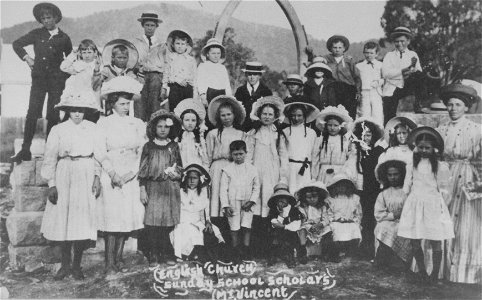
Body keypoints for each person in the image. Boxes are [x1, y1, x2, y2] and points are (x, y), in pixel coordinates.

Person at [40, 90, 102, 280]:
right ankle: (65, 265)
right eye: (73, 110)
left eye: (81, 110)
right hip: (64, 172)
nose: (77, 114)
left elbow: (99, 155)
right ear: (67, 111)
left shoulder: (92, 128)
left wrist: (97, 177)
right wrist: (51, 183)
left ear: (85, 111)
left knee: (81, 221)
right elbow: (50, 158)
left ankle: (77, 266)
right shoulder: (58, 130)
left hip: (85, 171)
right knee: (64, 220)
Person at [11, 2, 73, 163]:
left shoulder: (64, 38)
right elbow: (16, 44)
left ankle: (50, 151)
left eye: (49, 17)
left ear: (56, 18)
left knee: (52, 115)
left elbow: (72, 59)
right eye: (43, 18)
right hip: (39, 80)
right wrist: (27, 58)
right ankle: (25, 150)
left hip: (57, 82)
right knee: (32, 113)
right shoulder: (37, 34)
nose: (46, 21)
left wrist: (65, 73)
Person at [96, 77, 145, 274]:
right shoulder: (104, 123)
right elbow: (99, 150)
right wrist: (113, 173)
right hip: (112, 173)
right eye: (122, 104)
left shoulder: (137, 123)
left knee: (125, 217)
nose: (126, 107)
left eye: (128, 103)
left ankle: (119, 258)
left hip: (130, 174)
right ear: (113, 104)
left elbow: (142, 150)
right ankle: (109, 262)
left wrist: (132, 172)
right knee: (112, 218)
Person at [437, 82, 482, 284]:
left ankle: (466, 274)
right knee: (444, 222)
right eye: (450, 104)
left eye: (458, 105)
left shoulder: (477, 130)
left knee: (467, 224)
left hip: (468, 176)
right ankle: (443, 272)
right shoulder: (440, 129)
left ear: (465, 107)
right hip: (446, 177)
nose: (453, 108)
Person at [398, 127, 454, 283]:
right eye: (420, 147)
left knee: (436, 239)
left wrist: (442, 206)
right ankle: (422, 271)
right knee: (415, 238)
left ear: (433, 148)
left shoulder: (440, 166)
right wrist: (406, 200)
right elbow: (407, 185)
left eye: (427, 147)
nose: (423, 150)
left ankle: (435, 274)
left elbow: (444, 189)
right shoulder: (411, 164)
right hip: (415, 203)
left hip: (433, 205)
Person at [138, 109, 183, 267]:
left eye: (166, 126)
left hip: (169, 187)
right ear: (154, 128)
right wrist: (143, 189)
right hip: (153, 187)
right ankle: (154, 253)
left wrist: (175, 174)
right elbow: (143, 170)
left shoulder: (174, 146)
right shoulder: (148, 146)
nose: (163, 129)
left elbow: (179, 167)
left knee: (167, 222)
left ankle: (166, 252)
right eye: (160, 126)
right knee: (153, 222)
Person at [246, 96, 289, 257]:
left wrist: (282, 177)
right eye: (264, 113)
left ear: (275, 116)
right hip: (257, 171)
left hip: (272, 172)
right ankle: (256, 248)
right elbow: (249, 155)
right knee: (256, 208)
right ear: (259, 114)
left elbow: (283, 156)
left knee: (270, 208)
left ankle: (272, 249)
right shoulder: (253, 133)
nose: (267, 117)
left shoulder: (278, 134)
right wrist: (249, 174)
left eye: (270, 114)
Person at [205, 96, 246, 243]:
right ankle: (217, 239)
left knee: (231, 200)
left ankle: (233, 241)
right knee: (216, 201)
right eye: (223, 115)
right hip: (217, 169)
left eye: (229, 114)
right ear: (219, 117)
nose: (226, 118)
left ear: (234, 115)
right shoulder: (213, 134)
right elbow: (208, 156)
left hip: (233, 168)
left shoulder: (240, 134)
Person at [347, 117, 385, 259]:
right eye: (362, 135)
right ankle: (356, 246)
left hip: (372, 189)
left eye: (368, 135)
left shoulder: (378, 151)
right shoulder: (355, 150)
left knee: (369, 218)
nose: (365, 138)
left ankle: (369, 248)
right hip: (358, 188)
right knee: (358, 216)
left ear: (373, 136)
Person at [170, 164, 224, 262]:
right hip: (183, 221)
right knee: (187, 232)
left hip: (198, 221)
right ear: (185, 179)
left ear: (199, 180)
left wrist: (208, 222)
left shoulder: (202, 194)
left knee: (213, 230)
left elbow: (205, 212)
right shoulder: (181, 192)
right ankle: (187, 254)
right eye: (189, 178)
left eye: (195, 178)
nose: (192, 181)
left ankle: (205, 255)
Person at [220, 140, 260, 261]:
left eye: (241, 154)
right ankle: (235, 250)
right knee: (234, 226)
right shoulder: (227, 169)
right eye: (235, 154)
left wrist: (252, 201)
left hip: (247, 202)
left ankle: (246, 250)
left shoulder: (252, 169)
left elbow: (256, 186)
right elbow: (223, 189)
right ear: (231, 154)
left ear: (246, 153)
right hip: (233, 202)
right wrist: (226, 205)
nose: (238, 157)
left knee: (247, 225)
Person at [373, 159, 411, 268]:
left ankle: (399, 261)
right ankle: (383, 259)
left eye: (396, 174)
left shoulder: (407, 192)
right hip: (389, 221)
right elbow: (378, 214)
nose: (393, 177)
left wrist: (402, 216)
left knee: (399, 230)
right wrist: (393, 215)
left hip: (405, 222)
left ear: (402, 175)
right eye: (390, 175)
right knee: (382, 227)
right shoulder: (384, 194)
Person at [382, 27, 423, 123]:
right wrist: (402, 71)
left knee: (419, 76)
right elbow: (386, 74)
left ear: (408, 41)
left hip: (407, 88)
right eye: (397, 41)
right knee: (389, 118)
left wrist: (411, 72)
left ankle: (418, 104)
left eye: (402, 41)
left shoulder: (413, 54)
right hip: (392, 88)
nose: (399, 44)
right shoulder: (389, 56)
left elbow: (419, 71)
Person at [132, 11, 166, 122]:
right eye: (147, 25)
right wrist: (137, 69)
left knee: (155, 106)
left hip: (156, 77)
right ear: (143, 25)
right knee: (140, 106)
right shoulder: (136, 42)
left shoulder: (161, 44)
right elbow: (132, 60)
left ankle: (153, 132)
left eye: (152, 25)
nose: (150, 28)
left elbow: (165, 63)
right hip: (140, 76)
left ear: (156, 26)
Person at [60, 39, 102, 122]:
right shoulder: (78, 65)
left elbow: (97, 83)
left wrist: (96, 69)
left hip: (91, 98)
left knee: (90, 122)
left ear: (95, 53)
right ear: (80, 53)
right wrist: (73, 54)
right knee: (69, 121)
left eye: (89, 52)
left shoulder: (98, 65)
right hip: (77, 98)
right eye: (84, 52)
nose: (87, 55)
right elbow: (63, 67)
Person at [295, 181, 335, 264]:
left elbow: (326, 218)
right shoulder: (303, 207)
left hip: (320, 227)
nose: (312, 199)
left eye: (314, 197)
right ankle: (302, 254)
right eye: (308, 197)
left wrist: (321, 224)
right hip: (307, 227)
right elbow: (302, 220)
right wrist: (310, 227)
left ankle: (326, 253)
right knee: (301, 230)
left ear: (319, 196)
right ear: (304, 197)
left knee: (329, 230)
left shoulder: (323, 206)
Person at [312, 105, 353, 184]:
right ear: (325, 125)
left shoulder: (345, 141)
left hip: (339, 173)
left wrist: (346, 174)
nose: (332, 128)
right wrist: (314, 176)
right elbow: (315, 159)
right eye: (329, 125)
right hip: (323, 173)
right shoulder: (320, 140)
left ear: (341, 126)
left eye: (335, 125)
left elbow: (349, 159)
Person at [282, 102, 319, 193]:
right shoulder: (285, 131)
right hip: (290, 168)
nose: (296, 118)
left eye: (299, 115)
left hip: (305, 169)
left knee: (304, 193)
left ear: (304, 116)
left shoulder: (311, 133)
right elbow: (283, 154)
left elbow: (314, 154)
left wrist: (313, 175)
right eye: (293, 115)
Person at [323, 35, 361, 119]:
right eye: (335, 47)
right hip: (332, 89)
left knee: (349, 113)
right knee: (334, 112)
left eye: (340, 47)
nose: (337, 49)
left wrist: (358, 91)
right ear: (331, 48)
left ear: (344, 48)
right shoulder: (327, 59)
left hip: (348, 89)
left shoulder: (348, 60)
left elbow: (356, 76)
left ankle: (349, 130)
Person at [326, 174, 362, 262]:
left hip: (350, 221)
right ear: (334, 187)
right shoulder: (331, 199)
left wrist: (355, 221)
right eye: (338, 186)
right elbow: (329, 213)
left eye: (343, 186)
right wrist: (334, 219)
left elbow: (358, 213)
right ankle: (336, 253)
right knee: (336, 229)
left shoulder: (354, 198)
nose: (341, 188)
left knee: (355, 229)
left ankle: (351, 253)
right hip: (336, 221)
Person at [266, 183, 303, 268]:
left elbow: (296, 224)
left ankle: (289, 257)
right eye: (278, 199)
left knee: (290, 239)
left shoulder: (293, 210)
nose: (281, 201)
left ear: (288, 199)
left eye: (284, 198)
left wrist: (284, 226)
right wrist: (281, 214)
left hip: (290, 231)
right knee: (273, 237)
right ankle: (273, 256)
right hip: (277, 231)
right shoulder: (274, 210)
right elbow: (274, 223)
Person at [162, 30, 197, 111]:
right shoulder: (170, 58)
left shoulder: (191, 60)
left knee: (187, 110)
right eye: (177, 43)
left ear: (187, 46)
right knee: (175, 109)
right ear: (173, 45)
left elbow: (194, 76)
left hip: (188, 88)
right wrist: (165, 87)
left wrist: (195, 93)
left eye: (183, 44)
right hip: (175, 88)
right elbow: (166, 74)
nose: (180, 46)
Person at [234, 62, 273, 131]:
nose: (252, 77)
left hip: (260, 128)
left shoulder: (266, 91)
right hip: (242, 128)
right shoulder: (240, 91)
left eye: (255, 74)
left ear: (260, 76)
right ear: (246, 75)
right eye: (249, 74)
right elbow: (237, 110)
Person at [173, 98, 209, 168]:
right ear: (182, 121)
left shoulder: (199, 138)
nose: (190, 123)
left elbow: (204, 157)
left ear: (197, 122)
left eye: (193, 120)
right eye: (187, 120)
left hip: (196, 169)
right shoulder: (178, 138)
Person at [196, 38, 232, 106]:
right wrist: (203, 96)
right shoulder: (203, 66)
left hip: (222, 93)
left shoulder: (222, 67)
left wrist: (229, 96)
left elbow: (226, 83)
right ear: (207, 54)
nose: (216, 56)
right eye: (213, 53)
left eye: (218, 53)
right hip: (209, 93)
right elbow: (200, 82)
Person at [356, 41, 384, 125]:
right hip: (364, 92)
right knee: (364, 114)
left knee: (377, 114)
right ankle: (364, 134)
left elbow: (385, 78)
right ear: (364, 53)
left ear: (376, 54)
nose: (369, 55)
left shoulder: (381, 65)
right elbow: (357, 80)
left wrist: (379, 82)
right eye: (367, 53)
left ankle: (379, 134)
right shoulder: (359, 66)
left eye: (371, 53)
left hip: (376, 92)